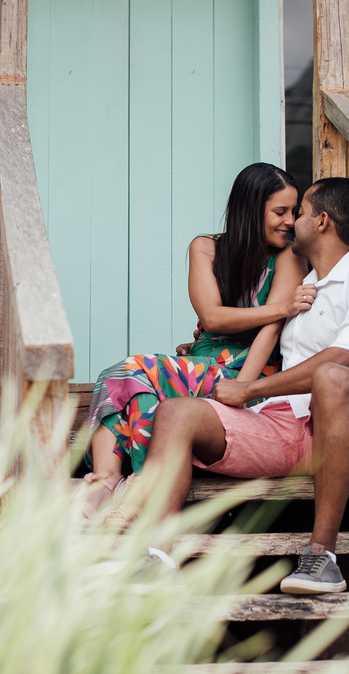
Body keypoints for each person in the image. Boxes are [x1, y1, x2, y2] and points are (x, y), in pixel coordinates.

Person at [136, 177, 349, 593]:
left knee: (332, 377)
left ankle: (322, 558)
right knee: (177, 412)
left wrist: (250, 390)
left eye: (301, 212)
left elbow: (346, 358)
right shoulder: (304, 286)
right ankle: (157, 559)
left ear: (322, 222)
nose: (292, 221)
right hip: (286, 427)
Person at [80, 163, 314, 516]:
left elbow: (272, 330)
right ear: (251, 209)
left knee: (126, 372)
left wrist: (243, 387)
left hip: (248, 369)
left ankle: (129, 484)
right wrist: (281, 306)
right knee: (137, 392)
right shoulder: (205, 248)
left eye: (294, 212)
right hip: (202, 362)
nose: (290, 221)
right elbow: (212, 317)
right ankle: (110, 481)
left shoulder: (288, 258)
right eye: (280, 211)